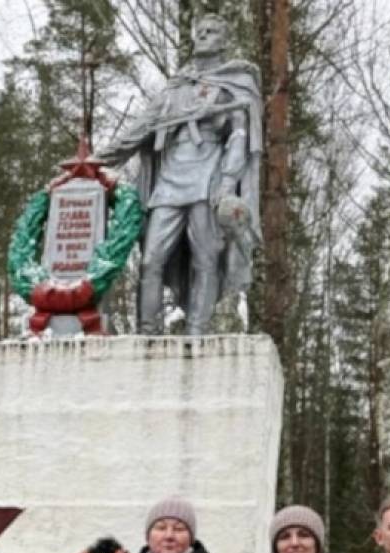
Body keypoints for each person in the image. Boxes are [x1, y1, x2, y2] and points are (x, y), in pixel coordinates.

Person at [92, 13, 262, 335]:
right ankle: (147, 331)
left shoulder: (234, 83)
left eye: (212, 32)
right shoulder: (176, 88)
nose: (203, 36)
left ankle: (197, 331)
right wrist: (95, 161)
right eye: (200, 31)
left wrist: (226, 182)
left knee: (205, 258)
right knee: (150, 259)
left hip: (208, 179)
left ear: (224, 41)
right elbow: (140, 130)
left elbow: (240, 137)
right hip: (169, 182)